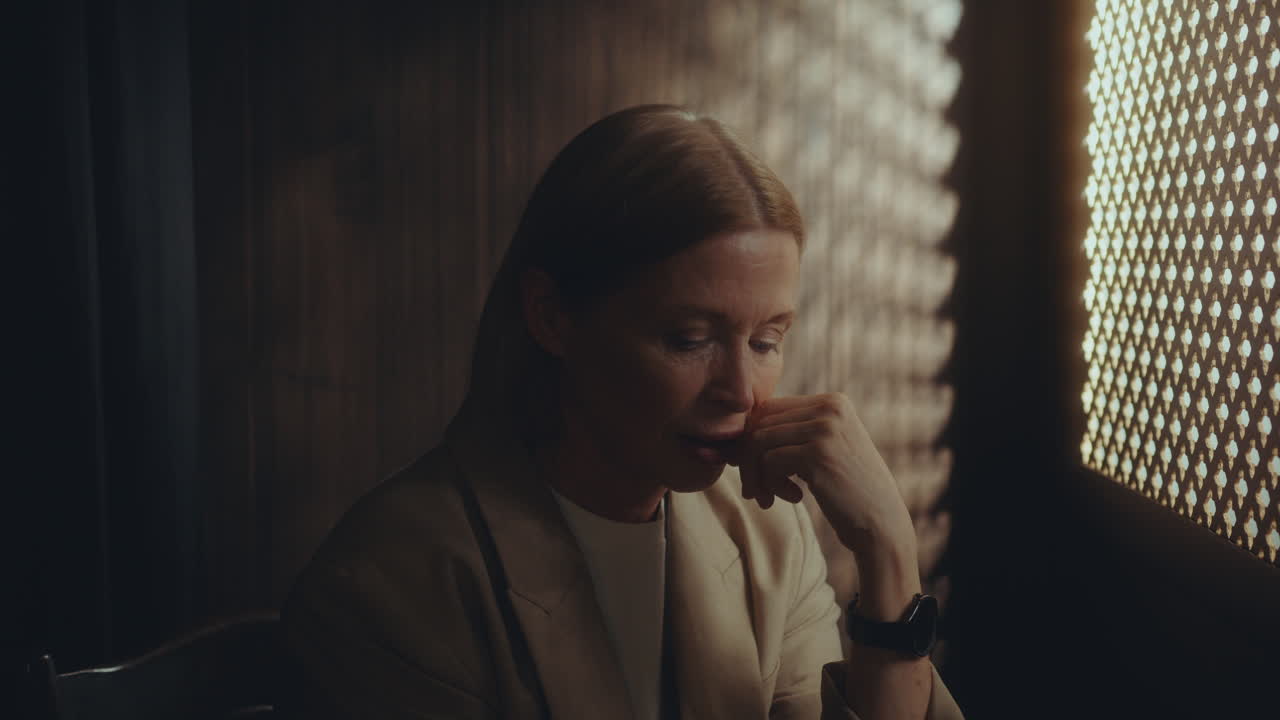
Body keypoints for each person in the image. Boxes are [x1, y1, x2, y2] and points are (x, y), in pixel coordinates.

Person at [280, 104, 964, 720]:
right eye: (689, 339)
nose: (741, 389)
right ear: (551, 316)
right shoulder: (391, 583)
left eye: (766, 341)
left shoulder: (767, 539)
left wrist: (887, 551)